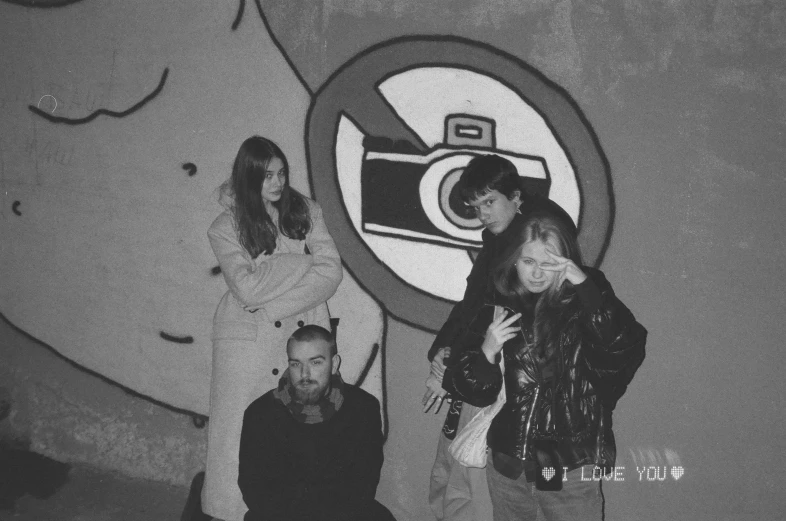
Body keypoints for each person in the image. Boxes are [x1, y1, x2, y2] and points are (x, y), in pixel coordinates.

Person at [442, 214, 647, 521]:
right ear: (514, 261)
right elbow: (469, 389)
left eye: (548, 263)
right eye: (527, 261)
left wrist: (585, 286)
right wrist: (486, 351)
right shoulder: (496, 305)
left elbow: (622, 350)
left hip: (568, 463)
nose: (537, 273)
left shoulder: (586, 301)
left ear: (565, 262)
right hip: (509, 462)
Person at [423, 154, 575, 521]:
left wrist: (456, 363)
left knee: (466, 488)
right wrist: (443, 352)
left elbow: (498, 319)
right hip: (483, 376)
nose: (483, 215)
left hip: (504, 391)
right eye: (476, 207)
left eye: (489, 202)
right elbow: (472, 304)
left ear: (517, 197)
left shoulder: (534, 242)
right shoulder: (500, 240)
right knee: (453, 479)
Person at [201, 136, 343, 521]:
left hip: (301, 333)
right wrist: (300, 264)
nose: (278, 183)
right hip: (246, 340)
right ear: (248, 177)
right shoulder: (224, 226)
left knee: (298, 428)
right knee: (238, 432)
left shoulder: (305, 211)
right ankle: (228, 513)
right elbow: (244, 287)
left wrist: (272, 299)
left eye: (282, 173)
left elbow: (330, 273)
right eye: (267, 176)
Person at [238, 325, 392, 521]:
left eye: (315, 363)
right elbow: (255, 490)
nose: (304, 374)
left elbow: (363, 486)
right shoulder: (260, 413)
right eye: (295, 364)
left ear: (334, 364)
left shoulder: (363, 408)